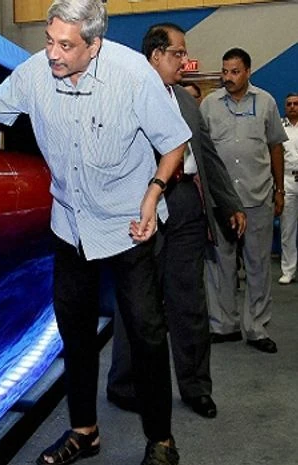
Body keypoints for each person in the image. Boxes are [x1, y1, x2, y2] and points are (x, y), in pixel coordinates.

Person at [0, 1, 189, 464]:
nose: (53, 53)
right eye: (48, 39)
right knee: (74, 331)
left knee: (145, 331)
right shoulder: (35, 73)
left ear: (94, 45)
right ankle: (84, 432)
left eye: (66, 45)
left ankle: (161, 441)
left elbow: (174, 143)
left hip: (128, 224)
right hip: (70, 223)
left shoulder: (134, 75)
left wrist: (153, 192)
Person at [106, 23, 246, 421]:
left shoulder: (186, 102)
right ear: (155, 56)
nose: (185, 60)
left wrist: (228, 202)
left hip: (185, 205)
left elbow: (208, 156)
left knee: (190, 302)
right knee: (136, 301)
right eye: (178, 53)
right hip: (142, 207)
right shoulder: (125, 98)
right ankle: (123, 385)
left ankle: (196, 387)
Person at [200, 48, 288, 354]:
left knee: (258, 265)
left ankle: (256, 327)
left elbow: (276, 146)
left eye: (234, 71)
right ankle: (224, 325)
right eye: (225, 71)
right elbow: (201, 153)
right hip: (220, 200)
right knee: (219, 265)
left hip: (257, 197)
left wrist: (279, 190)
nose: (228, 77)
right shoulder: (209, 104)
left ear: (248, 71)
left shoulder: (266, 102)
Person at [279, 93, 298, 284]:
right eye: (289, 104)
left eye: (296, 104)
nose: (292, 107)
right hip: (287, 179)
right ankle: (288, 270)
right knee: (288, 228)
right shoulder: (279, 127)